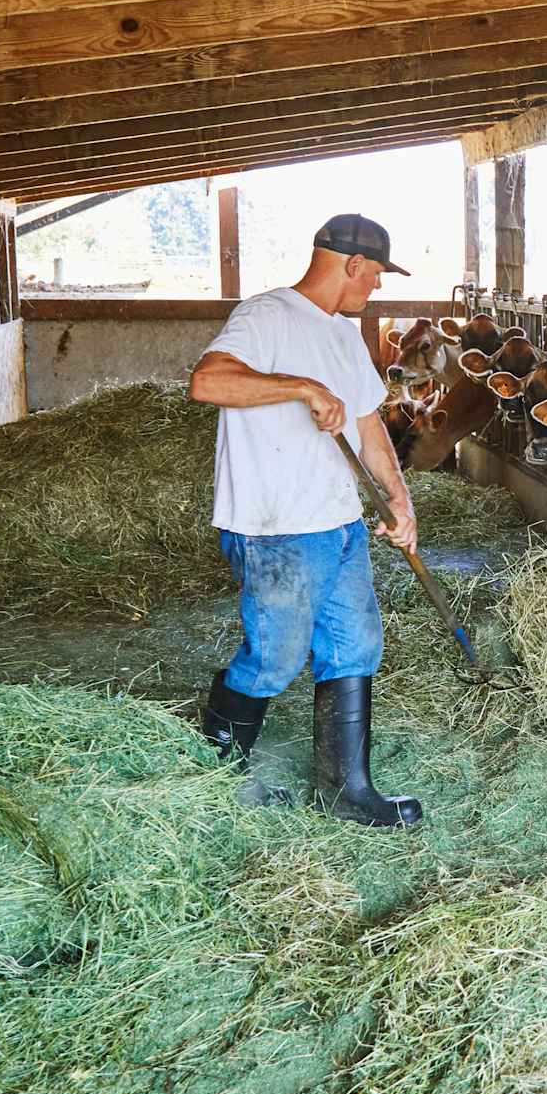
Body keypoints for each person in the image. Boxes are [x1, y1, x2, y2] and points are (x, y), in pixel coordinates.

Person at [186, 214, 424, 828]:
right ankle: (214, 784)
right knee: (275, 657)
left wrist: (399, 500)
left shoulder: (344, 335)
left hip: (339, 522)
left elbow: (368, 427)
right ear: (352, 264)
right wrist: (300, 387)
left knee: (355, 646)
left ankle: (347, 791)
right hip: (277, 528)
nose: (375, 287)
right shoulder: (267, 315)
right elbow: (207, 382)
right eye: (374, 275)